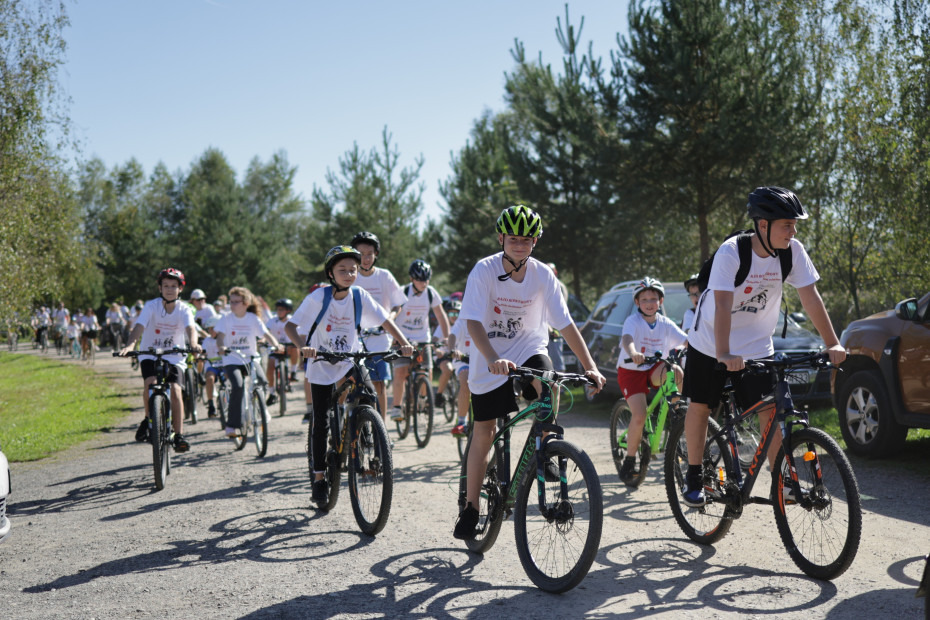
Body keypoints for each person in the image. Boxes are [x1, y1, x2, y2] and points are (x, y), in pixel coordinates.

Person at [680, 186, 846, 507]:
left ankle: (782, 480)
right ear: (763, 225)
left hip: (756, 345)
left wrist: (833, 343)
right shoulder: (732, 253)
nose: (793, 231)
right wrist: (725, 353)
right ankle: (694, 475)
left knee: (770, 412)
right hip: (711, 340)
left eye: (795, 225)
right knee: (701, 404)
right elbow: (724, 304)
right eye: (787, 224)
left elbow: (810, 298)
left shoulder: (791, 252)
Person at [453, 204, 606, 540]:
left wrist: (590, 366)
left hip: (528, 349)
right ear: (501, 238)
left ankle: (544, 449)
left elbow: (565, 324)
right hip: (488, 355)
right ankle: (472, 506)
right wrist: (493, 357)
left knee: (547, 383)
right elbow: (474, 322)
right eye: (513, 239)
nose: (519, 244)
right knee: (485, 430)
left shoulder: (542, 275)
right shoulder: (484, 270)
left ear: (535, 241)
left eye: (526, 239)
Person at [284, 246, 414, 504]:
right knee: (320, 420)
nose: (348, 274)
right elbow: (290, 326)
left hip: (348, 359)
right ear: (330, 273)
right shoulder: (319, 298)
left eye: (353, 270)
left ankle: (365, 438)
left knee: (370, 395)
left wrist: (403, 341)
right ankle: (320, 478)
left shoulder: (359, 295)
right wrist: (303, 347)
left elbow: (385, 320)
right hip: (321, 362)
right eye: (342, 269)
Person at [119, 268, 201, 452]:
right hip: (150, 352)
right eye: (166, 286)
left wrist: (194, 344)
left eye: (174, 286)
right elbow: (139, 326)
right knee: (150, 383)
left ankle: (179, 434)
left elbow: (191, 329)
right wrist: (131, 345)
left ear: (180, 289)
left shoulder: (184, 309)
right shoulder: (151, 306)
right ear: (159, 288)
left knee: (175, 390)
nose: (169, 289)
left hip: (174, 355)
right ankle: (149, 419)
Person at [615, 277, 687, 486]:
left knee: (676, 372)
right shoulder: (633, 321)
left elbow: (684, 340)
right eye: (644, 299)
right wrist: (633, 352)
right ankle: (629, 460)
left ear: (661, 301)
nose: (649, 303)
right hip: (631, 370)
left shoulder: (664, 323)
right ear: (637, 302)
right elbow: (627, 339)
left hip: (653, 368)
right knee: (639, 415)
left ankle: (677, 412)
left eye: (653, 299)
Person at [350, 231, 407, 421]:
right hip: (353, 336)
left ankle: (380, 428)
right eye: (361, 254)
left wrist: (388, 318)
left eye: (369, 253)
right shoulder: (350, 276)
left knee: (378, 384)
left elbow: (398, 303)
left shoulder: (384, 276)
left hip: (379, 337)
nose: (365, 258)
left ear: (376, 254)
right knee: (350, 382)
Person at [214, 286, 281, 438]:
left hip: (250, 357)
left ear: (245, 303)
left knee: (262, 381)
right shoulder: (226, 318)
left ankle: (262, 410)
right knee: (237, 385)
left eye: (236, 302)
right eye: (231, 302)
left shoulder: (253, 319)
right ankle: (231, 425)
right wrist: (221, 346)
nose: (232, 305)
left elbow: (266, 334)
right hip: (232, 359)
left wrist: (276, 344)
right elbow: (220, 337)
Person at [389, 259, 450, 424]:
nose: (424, 283)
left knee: (427, 371)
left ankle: (423, 398)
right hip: (402, 339)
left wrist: (447, 338)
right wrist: (394, 338)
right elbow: (393, 314)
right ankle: (396, 407)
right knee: (401, 372)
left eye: (426, 279)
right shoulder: (403, 292)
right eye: (420, 280)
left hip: (423, 338)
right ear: (411, 279)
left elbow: (441, 316)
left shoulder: (431, 293)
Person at [264, 298, 299, 406]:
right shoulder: (272, 321)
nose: (279, 311)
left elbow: (299, 334)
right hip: (275, 349)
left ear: (288, 311)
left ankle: (293, 372)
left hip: (288, 348)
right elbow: (266, 333)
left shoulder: (293, 320)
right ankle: (272, 393)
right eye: (278, 309)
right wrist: (262, 341)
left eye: (282, 309)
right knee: (270, 368)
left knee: (295, 348)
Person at [447, 299, 473, 437]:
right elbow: (452, 335)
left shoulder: (487, 316)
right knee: (466, 380)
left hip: (483, 361)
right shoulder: (462, 320)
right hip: (463, 360)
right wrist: (452, 350)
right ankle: (461, 421)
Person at [433, 299, 461, 408]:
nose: (454, 316)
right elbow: (434, 341)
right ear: (447, 314)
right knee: (448, 369)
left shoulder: (463, 325)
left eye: (457, 313)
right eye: (451, 313)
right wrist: (437, 350)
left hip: (459, 355)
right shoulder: (443, 327)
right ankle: (439, 394)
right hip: (444, 355)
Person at [546, 262, 570, 371]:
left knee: (557, 362)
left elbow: (558, 310)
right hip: (543, 329)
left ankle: (560, 386)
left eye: (551, 270)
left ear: (555, 272)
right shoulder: (543, 284)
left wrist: (551, 329)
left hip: (554, 330)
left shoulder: (558, 285)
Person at [200, 316, 222, 418]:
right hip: (212, 365)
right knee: (209, 379)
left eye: (213, 328)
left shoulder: (224, 338)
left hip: (224, 365)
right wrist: (201, 357)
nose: (210, 331)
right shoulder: (207, 340)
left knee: (228, 379)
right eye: (209, 329)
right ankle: (211, 404)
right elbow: (203, 353)